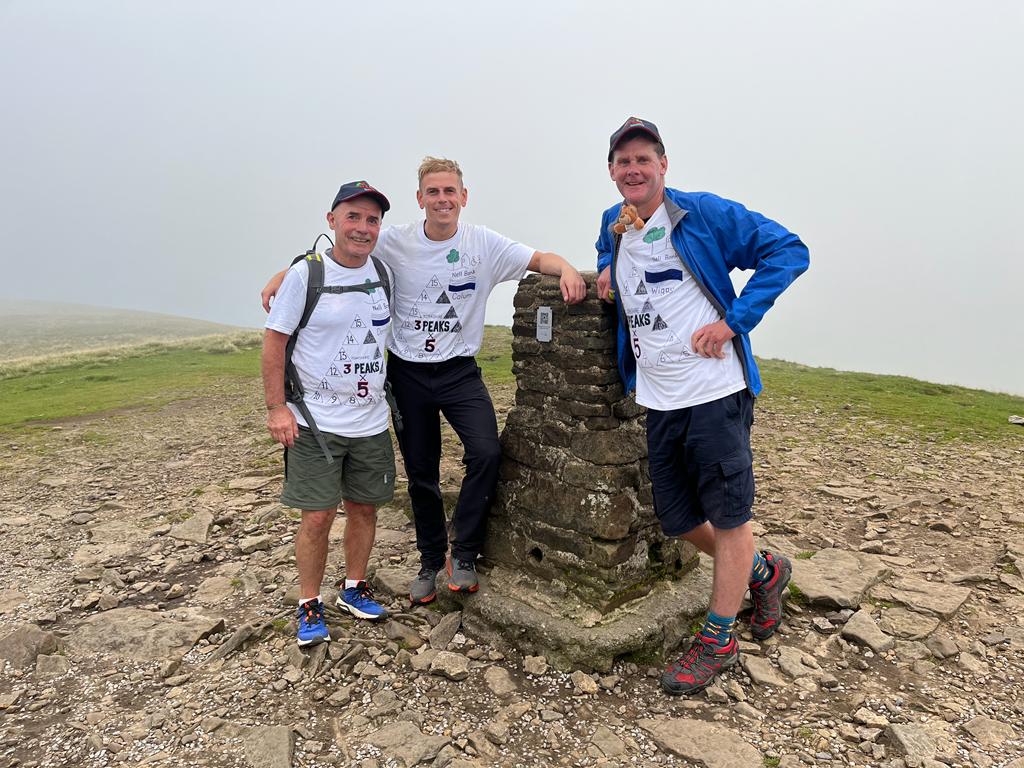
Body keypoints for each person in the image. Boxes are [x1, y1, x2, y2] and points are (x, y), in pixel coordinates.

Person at [263, 158, 586, 605]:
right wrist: (286, 274)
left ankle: (465, 551)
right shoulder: (393, 241)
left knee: (486, 451)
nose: (442, 200)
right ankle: (431, 559)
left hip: (459, 372)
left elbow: (536, 258)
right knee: (421, 473)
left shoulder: (483, 243)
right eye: (432, 192)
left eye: (449, 191)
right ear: (420, 200)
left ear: (463, 197)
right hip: (407, 373)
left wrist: (566, 268)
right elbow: (338, 256)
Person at [596, 117, 809, 695]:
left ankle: (718, 636)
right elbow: (606, 256)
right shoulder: (614, 224)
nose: (633, 170)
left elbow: (789, 250)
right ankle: (765, 571)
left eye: (644, 159)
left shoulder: (702, 213)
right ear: (612, 172)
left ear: (663, 165)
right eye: (623, 162)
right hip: (659, 397)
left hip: (714, 391)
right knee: (680, 518)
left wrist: (733, 322)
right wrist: (605, 267)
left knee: (731, 516)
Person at [263, 180, 397, 646]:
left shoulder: (383, 270)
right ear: (332, 220)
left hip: (371, 420)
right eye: (353, 217)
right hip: (313, 422)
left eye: (372, 219)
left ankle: (354, 588)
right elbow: (274, 341)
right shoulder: (305, 275)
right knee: (317, 516)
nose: (362, 228)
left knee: (364, 509)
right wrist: (277, 407)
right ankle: (309, 603)